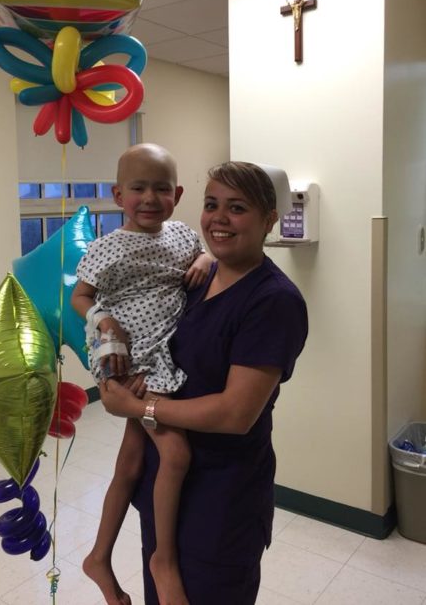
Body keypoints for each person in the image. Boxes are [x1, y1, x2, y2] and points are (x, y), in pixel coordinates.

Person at [99, 161, 309, 605]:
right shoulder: (196, 277)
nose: (219, 218)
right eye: (211, 205)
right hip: (164, 488)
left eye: (237, 208)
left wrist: (139, 409)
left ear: (270, 219)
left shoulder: (274, 302)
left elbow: (235, 414)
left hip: (221, 497)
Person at [71, 143, 213, 605]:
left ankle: (98, 557)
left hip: (164, 354)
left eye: (161, 188)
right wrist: (103, 323)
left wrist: (204, 261)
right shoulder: (106, 247)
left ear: (178, 193)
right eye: (138, 188)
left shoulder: (184, 236)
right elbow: (80, 297)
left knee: (131, 463)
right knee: (175, 455)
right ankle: (163, 559)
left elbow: (208, 259)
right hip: (130, 359)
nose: (150, 198)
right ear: (117, 195)